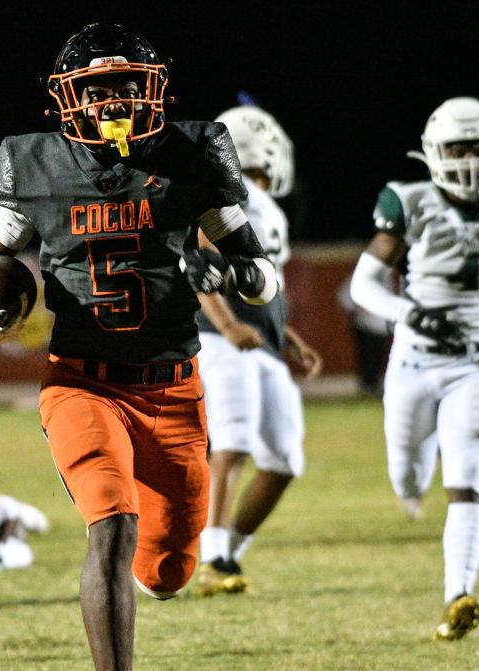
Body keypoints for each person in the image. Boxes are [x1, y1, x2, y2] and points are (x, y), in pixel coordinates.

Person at [0, 23, 276, 670]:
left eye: (128, 86)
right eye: (98, 89)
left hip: (174, 386)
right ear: (68, 97)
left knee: (172, 564)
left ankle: (159, 570)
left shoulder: (193, 151)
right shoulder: (36, 164)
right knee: (112, 525)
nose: (115, 101)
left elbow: (263, 276)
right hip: (81, 382)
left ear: (152, 90)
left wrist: (232, 274)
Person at [349, 97, 479, 641]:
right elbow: (362, 285)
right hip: (413, 362)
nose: (469, 158)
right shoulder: (409, 201)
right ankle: (417, 476)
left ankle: (458, 594)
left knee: (467, 481)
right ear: (435, 151)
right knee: (408, 475)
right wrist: (410, 313)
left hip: (476, 364)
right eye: (459, 147)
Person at [193, 105, 321, 596]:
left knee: (284, 458)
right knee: (232, 444)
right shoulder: (224, 197)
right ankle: (214, 556)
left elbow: (266, 288)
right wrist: (226, 325)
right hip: (219, 338)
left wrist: (288, 338)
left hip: (260, 343)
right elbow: (200, 262)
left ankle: (227, 556)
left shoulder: (267, 208)